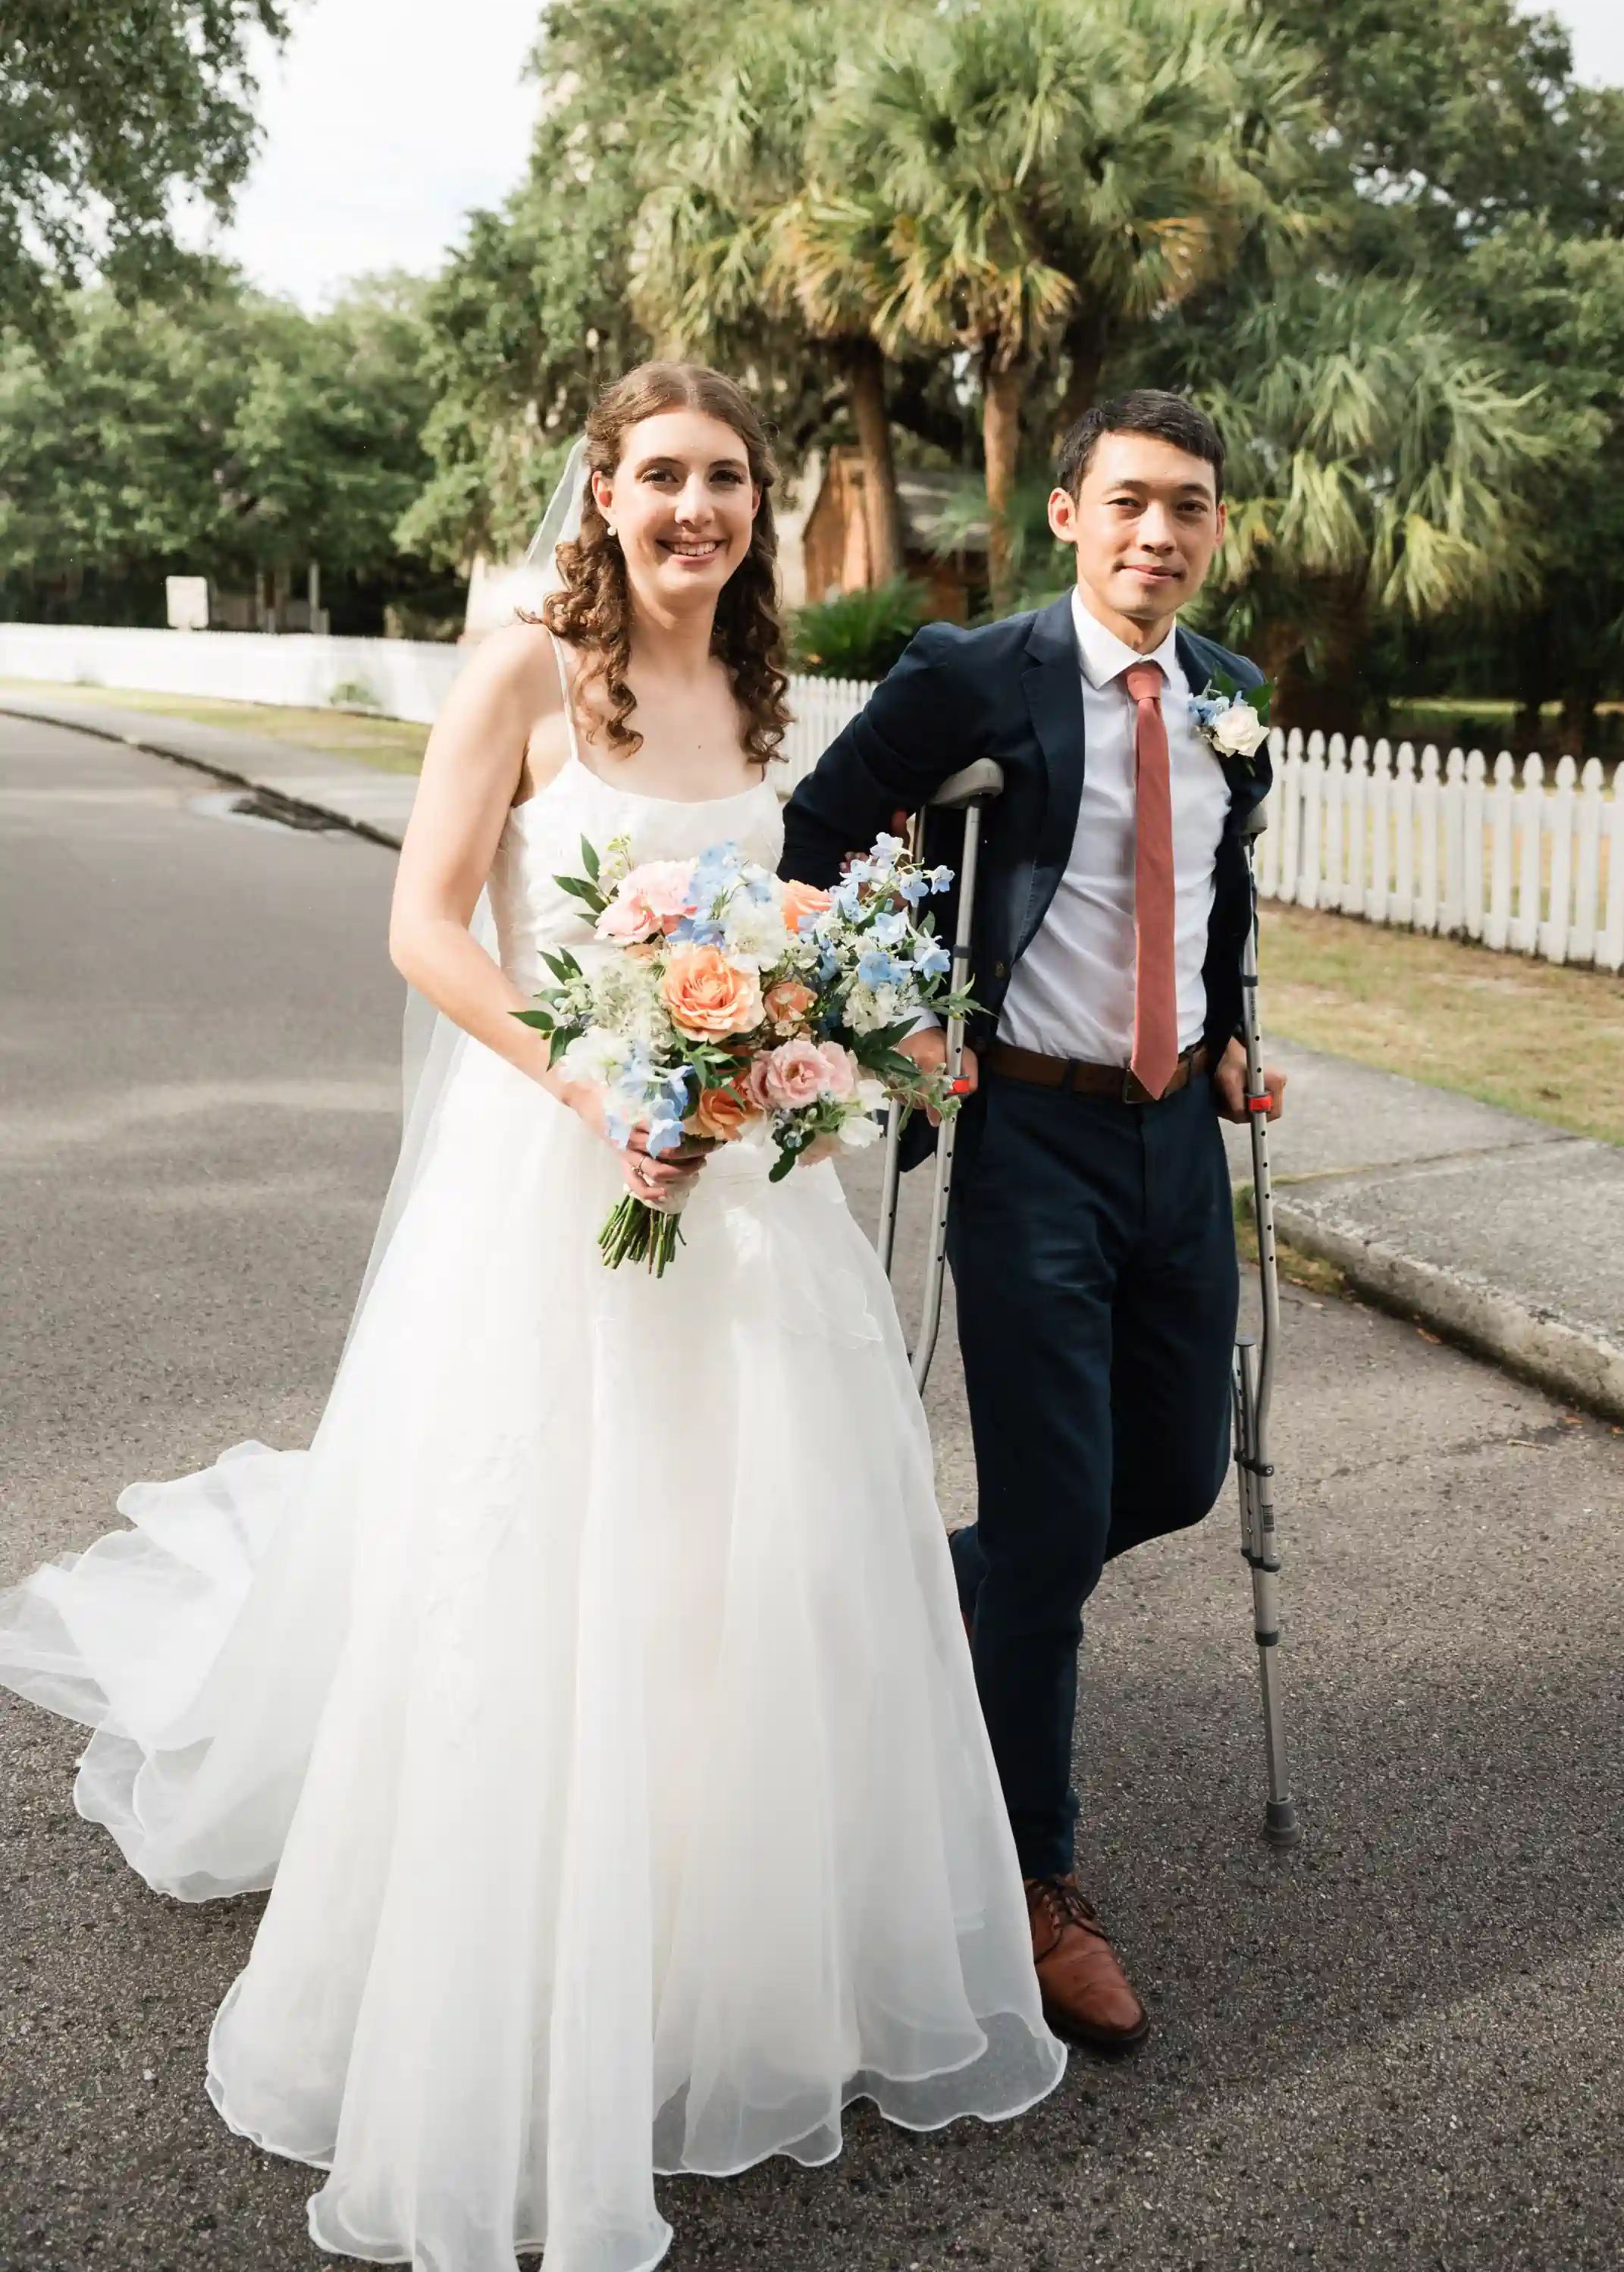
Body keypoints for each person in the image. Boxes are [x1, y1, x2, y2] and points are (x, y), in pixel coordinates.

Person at [0, 361, 1063, 2272]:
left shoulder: (759, 692)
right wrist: (592, 1083)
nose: (697, 509)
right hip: (558, 1172)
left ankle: (723, 1947)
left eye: (726, 480)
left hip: (744, 1191)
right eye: (661, 476)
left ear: (756, 503)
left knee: (749, 1564)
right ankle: (532, 1935)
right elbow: (425, 926)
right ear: (598, 490)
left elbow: (784, 926)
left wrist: (819, 1057)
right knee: (544, 1553)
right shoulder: (513, 671)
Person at [783, 387, 1287, 2058]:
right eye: (1131, 502)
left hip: (1169, 1146)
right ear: (1065, 513)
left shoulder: (1228, 701)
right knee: (1055, 1529)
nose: (1161, 534)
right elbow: (813, 838)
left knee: (1172, 1478)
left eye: (1191, 509)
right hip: (1024, 1142)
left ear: (1215, 529)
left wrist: (1221, 1035)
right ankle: (1031, 1879)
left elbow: (1211, 896)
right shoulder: (968, 674)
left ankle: (932, 1602)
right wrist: (890, 1011)